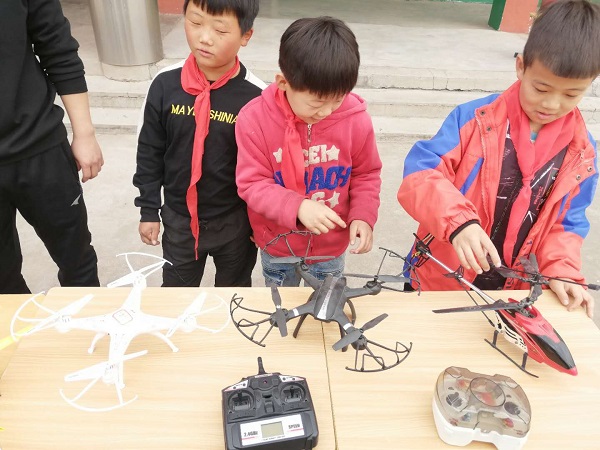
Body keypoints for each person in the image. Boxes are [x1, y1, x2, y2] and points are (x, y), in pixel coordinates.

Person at [397, 0, 600, 318]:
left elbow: (566, 224)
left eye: (571, 94)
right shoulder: (472, 119)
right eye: (541, 88)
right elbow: (420, 175)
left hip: (513, 291)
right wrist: (459, 223)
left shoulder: (583, 153)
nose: (552, 104)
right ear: (521, 66)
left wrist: (563, 271)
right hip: (441, 279)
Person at [235, 17, 382, 286]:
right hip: (278, 245)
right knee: (282, 305)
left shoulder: (355, 119)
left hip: (329, 247)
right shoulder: (255, 120)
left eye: (337, 100)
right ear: (283, 83)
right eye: (316, 103)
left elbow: (366, 173)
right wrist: (298, 206)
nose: (326, 112)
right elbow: (252, 183)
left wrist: (363, 216)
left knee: (326, 305)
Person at [133, 0, 264, 287]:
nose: (204, 37)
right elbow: (150, 151)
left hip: (235, 223)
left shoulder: (257, 98)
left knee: (233, 295)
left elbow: (264, 169)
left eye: (220, 30)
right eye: (195, 22)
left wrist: (261, 222)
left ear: (245, 36)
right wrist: (149, 209)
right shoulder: (165, 84)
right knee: (177, 295)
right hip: (179, 221)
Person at [0, 0, 104, 294]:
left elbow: (56, 46)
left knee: (78, 262)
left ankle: (86, 323)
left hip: (39, 144)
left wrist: (84, 133)